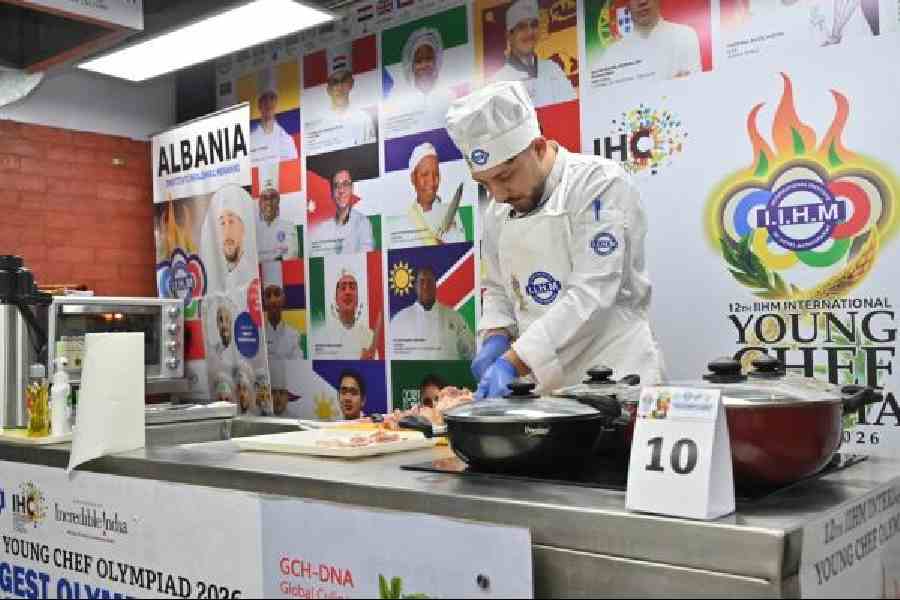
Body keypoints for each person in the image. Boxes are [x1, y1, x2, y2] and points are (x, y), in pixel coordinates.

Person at [445, 80, 665, 398]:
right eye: (484, 184)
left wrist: (514, 362)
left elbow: (591, 295)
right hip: (544, 386)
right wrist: (496, 334)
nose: (498, 194)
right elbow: (497, 287)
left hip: (616, 378)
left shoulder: (598, 183)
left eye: (505, 176)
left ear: (537, 147)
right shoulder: (497, 211)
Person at [491, 0, 577, 107]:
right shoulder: (498, 82)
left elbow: (571, 108)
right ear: (509, 35)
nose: (530, 32)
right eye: (521, 27)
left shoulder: (553, 69)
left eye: (533, 25)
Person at [598, 0, 702, 81]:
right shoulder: (613, 53)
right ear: (628, 5)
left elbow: (690, 89)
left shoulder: (685, 35)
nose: (642, 2)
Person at [388, 143, 466, 248]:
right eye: (425, 174)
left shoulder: (452, 213)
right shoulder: (400, 221)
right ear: (413, 178)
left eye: (436, 174)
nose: (432, 182)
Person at [390, 266, 475, 360]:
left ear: (435, 285)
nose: (426, 286)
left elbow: (472, 352)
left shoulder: (454, 317)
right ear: (415, 287)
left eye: (430, 281)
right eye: (422, 281)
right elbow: (392, 358)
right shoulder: (399, 320)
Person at [305, 44, 377, 155]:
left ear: (351, 84)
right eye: (334, 82)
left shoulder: (364, 119)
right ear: (328, 89)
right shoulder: (317, 126)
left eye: (344, 80)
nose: (339, 87)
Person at [201, 185, 259, 293]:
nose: (226, 231)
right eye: (222, 223)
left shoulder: (252, 274)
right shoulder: (212, 277)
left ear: (243, 228)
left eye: (231, 222)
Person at [262, 265, 302, 415]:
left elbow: (297, 371)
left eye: (277, 294)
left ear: (283, 298)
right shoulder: (259, 336)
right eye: (268, 295)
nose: (273, 300)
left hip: (286, 401)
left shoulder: (294, 335)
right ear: (263, 301)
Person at [315, 269, 379, 360]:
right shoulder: (323, 335)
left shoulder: (369, 336)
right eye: (343, 288)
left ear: (357, 298)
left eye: (352, 287)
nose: (347, 292)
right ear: (336, 299)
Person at [310, 168, 376, 256]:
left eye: (345, 184)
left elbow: (366, 257)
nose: (341, 190)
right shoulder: (323, 228)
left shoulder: (363, 223)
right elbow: (316, 257)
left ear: (352, 188)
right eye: (336, 186)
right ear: (332, 193)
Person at [250, 67, 299, 167]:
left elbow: (292, 169)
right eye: (264, 98)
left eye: (272, 98)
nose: (268, 102)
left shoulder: (286, 140)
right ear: (259, 104)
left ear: (276, 102)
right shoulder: (250, 139)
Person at [256, 181, 299, 263]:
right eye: (265, 198)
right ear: (260, 203)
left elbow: (291, 256)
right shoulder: (253, 229)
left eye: (273, 197)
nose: (269, 202)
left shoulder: (288, 226)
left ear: (278, 201)